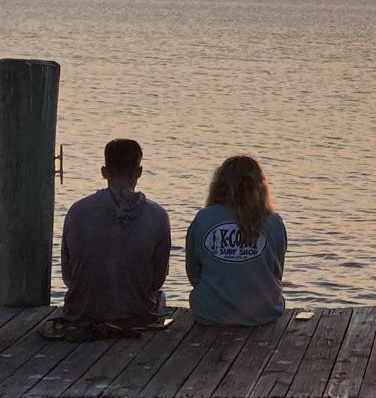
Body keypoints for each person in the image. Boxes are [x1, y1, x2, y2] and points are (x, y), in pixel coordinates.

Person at [50, 138, 172, 339]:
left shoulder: (77, 210)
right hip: (138, 316)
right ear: (139, 172)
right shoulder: (158, 215)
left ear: (104, 171)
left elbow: (68, 276)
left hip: (82, 314)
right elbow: (157, 281)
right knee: (162, 297)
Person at [186, 155, 288, 326]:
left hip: (210, 313)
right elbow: (276, 273)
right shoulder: (273, 221)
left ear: (219, 185)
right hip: (263, 314)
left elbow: (194, 274)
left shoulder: (203, 218)